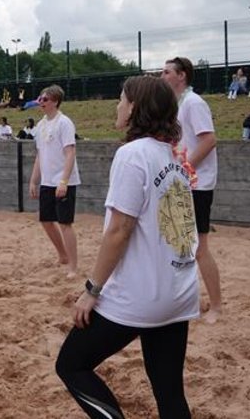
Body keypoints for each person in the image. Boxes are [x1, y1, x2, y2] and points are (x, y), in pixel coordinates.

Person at [56, 75, 199, 419]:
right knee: (169, 393)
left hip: (140, 295)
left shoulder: (132, 154)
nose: (117, 106)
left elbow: (120, 230)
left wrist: (92, 289)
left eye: (121, 100)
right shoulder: (172, 157)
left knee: (71, 365)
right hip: (178, 293)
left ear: (135, 107)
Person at [162, 56, 222, 323]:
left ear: (182, 75)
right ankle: (186, 301)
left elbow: (209, 140)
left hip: (197, 185)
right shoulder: (176, 104)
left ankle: (217, 306)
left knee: (199, 248)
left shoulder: (194, 103)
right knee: (178, 246)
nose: (162, 76)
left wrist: (185, 169)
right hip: (181, 183)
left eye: (166, 72)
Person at [28, 85, 81, 277]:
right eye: (40, 99)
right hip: (48, 181)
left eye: (45, 99)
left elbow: (70, 153)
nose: (41, 102)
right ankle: (63, 255)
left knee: (65, 223)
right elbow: (40, 155)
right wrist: (33, 181)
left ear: (55, 102)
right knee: (46, 220)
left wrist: (64, 182)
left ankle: (73, 267)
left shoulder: (64, 123)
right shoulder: (41, 125)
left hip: (63, 180)